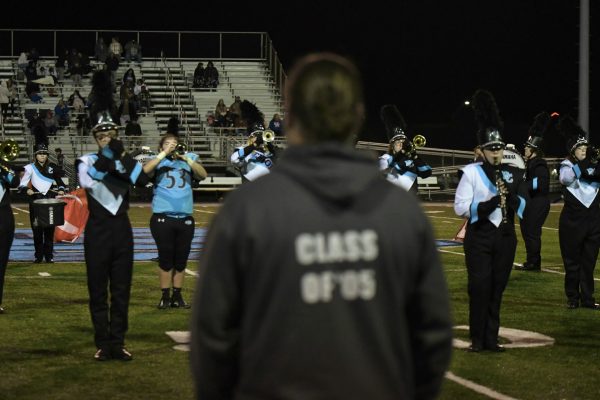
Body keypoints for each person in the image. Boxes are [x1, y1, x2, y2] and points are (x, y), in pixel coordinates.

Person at [191, 52, 453, 400]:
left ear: (290, 117)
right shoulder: (402, 210)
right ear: (357, 116)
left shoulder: (246, 209)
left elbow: (212, 338)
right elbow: (432, 336)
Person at [76, 70, 149, 361]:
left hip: (122, 229)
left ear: (116, 134)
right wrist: (111, 156)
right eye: (101, 135)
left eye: (110, 134)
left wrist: (123, 157)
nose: (106, 138)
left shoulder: (121, 156)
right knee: (97, 290)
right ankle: (102, 343)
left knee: (121, 291)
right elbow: (90, 179)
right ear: (95, 137)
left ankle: (117, 342)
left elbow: (142, 181)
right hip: (97, 231)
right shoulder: (86, 160)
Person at [454, 89, 527, 352]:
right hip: (480, 236)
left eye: (498, 148)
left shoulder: (512, 173)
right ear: (481, 150)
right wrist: (489, 204)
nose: (495, 153)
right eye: (490, 149)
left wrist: (516, 201)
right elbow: (460, 207)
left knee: (497, 289)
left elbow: (525, 204)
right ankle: (477, 339)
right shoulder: (472, 173)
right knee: (480, 287)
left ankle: (491, 338)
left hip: (506, 237)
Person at [142, 119, 207, 309]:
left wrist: (186, 158)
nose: (172, 147)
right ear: (161, 146)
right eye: (167, 144)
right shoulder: (157, 160)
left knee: (181, 259)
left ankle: (177, 296)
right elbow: (144, 172)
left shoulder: (190, 158)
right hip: (163, 217)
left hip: (185, 217)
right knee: (166, 257)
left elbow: (202, 175)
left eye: (174, 144)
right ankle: (165, 296)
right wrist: (163, 153)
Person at [557, 115, 600, 310]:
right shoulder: (567, 166)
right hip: (572, 221)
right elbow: (566, 179)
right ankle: (573, 297)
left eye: (586, 149)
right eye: (581, 149)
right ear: (573, 152)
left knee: (589, 261)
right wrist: (583, 163)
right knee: (572, 262)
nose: (585, 151)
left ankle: (588, 299)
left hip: (593, 220)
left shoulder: (594, 165)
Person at [18, 143, 66, 263]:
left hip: (50, 201)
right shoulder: (29, 168)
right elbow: (22, 184)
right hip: (35, 202)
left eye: (44, 154)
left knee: (50, 230)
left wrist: (60, 189)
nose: (42, 156)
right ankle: (38, 256)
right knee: (37, 231)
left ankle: (49, 256)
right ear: (35, 155)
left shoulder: (52, 167)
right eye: (40, 154)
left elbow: (60, 182)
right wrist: (27, 189)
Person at [516, 112, 552, 271]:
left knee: (531, 232)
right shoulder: (529, 163)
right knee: (527, 231)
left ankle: (534, 263)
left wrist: (523, 186)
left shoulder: (539, 163)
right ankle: (531, 260)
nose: (525, 148)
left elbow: (541, 183)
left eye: (528, 147)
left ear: (534, 150)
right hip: (532, 201)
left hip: (538, 202)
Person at [378, 105, 432, 194]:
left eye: (403, 142)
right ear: (392, 146)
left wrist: (415, 157)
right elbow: (381, 172)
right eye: (397, 142)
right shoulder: (386, 158)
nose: (401, 144)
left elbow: (427, 173)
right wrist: (401, 158)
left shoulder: (411, 158)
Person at [230, 101, 276, 182]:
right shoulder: (243, 151)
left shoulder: (267, 152)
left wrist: (268, 146)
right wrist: (255, 144)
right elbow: (234, 159)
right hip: (253, 177)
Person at [0, 156, 20, 313]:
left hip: (3, 216)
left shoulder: (5, 166)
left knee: (1, 262)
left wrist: (3, 168)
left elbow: (15, 183)